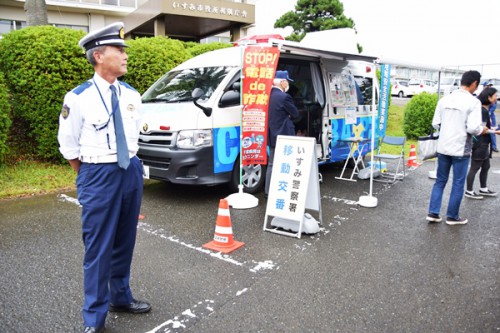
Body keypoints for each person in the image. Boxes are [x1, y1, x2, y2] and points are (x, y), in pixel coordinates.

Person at [57, 22, 150, 333]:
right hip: (97, 173)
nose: (125, 55)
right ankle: (94, 317)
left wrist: (130, 170)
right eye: (118, 50)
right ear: (98, 56)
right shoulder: (78, 97)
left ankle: (120, 297)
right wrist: (87, 177)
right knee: (98, 247)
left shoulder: (132, 95)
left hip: (131, 171)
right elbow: (68, 145)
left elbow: (135, 136)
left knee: (125, 240)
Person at [426, 70, 489, 225]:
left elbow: (435, 123)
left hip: (443, 147)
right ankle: (452, 216)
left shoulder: (445, 99)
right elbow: (474, 128)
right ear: (474, 83)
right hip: (461, 148)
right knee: (458, 183)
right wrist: (483, 129)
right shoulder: (473, 102)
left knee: (440, 181)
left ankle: (433, 213)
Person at [265, 70, 299, 195]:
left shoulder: (268, 95)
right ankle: (283, 191)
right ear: (282, 82)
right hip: (284, 136)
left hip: (271, 135)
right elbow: (295, 113)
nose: (288, 83)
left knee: (271, 164)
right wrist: (288, 116)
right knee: (286, 164)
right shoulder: (284, 97)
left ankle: (268, 191)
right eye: (287, 81)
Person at [465, 87, 500, 199]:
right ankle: (469, 191)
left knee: (486, 166)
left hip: (483, 143)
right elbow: (481, 129)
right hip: (480, 143)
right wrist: (495, 131)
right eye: (495, 95)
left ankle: (483, 189)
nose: (496, 98)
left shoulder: (484, 109)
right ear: (489, 97)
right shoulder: (482, 111)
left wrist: (492, 129)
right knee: (475, 167)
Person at [483, 81, 499, 152]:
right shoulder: (481, 96)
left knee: (493, 131)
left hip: (491, 116)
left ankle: (494, 147)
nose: (489, 87)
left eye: (490, 85)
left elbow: (494, 106)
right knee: (482, 131)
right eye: (487, 85)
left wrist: (489, 113)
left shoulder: (493, 95)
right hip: (483, 116)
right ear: (484, 86)